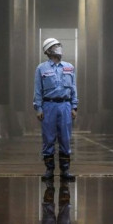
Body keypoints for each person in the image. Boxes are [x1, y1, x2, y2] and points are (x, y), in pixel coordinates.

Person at [33, 37, 78, 181]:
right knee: (49, 138)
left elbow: (73, 88)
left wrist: (74, 106)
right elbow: (38, 90)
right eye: (55, 45)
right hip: (49, 106)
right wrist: (38, 108)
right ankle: (49, 170)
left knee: (65, 138)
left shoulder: (69, 67)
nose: (59, 47)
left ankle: (65, 171)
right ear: (48, 50)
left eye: (59, 45)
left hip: (65, 106)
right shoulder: (41, 68)